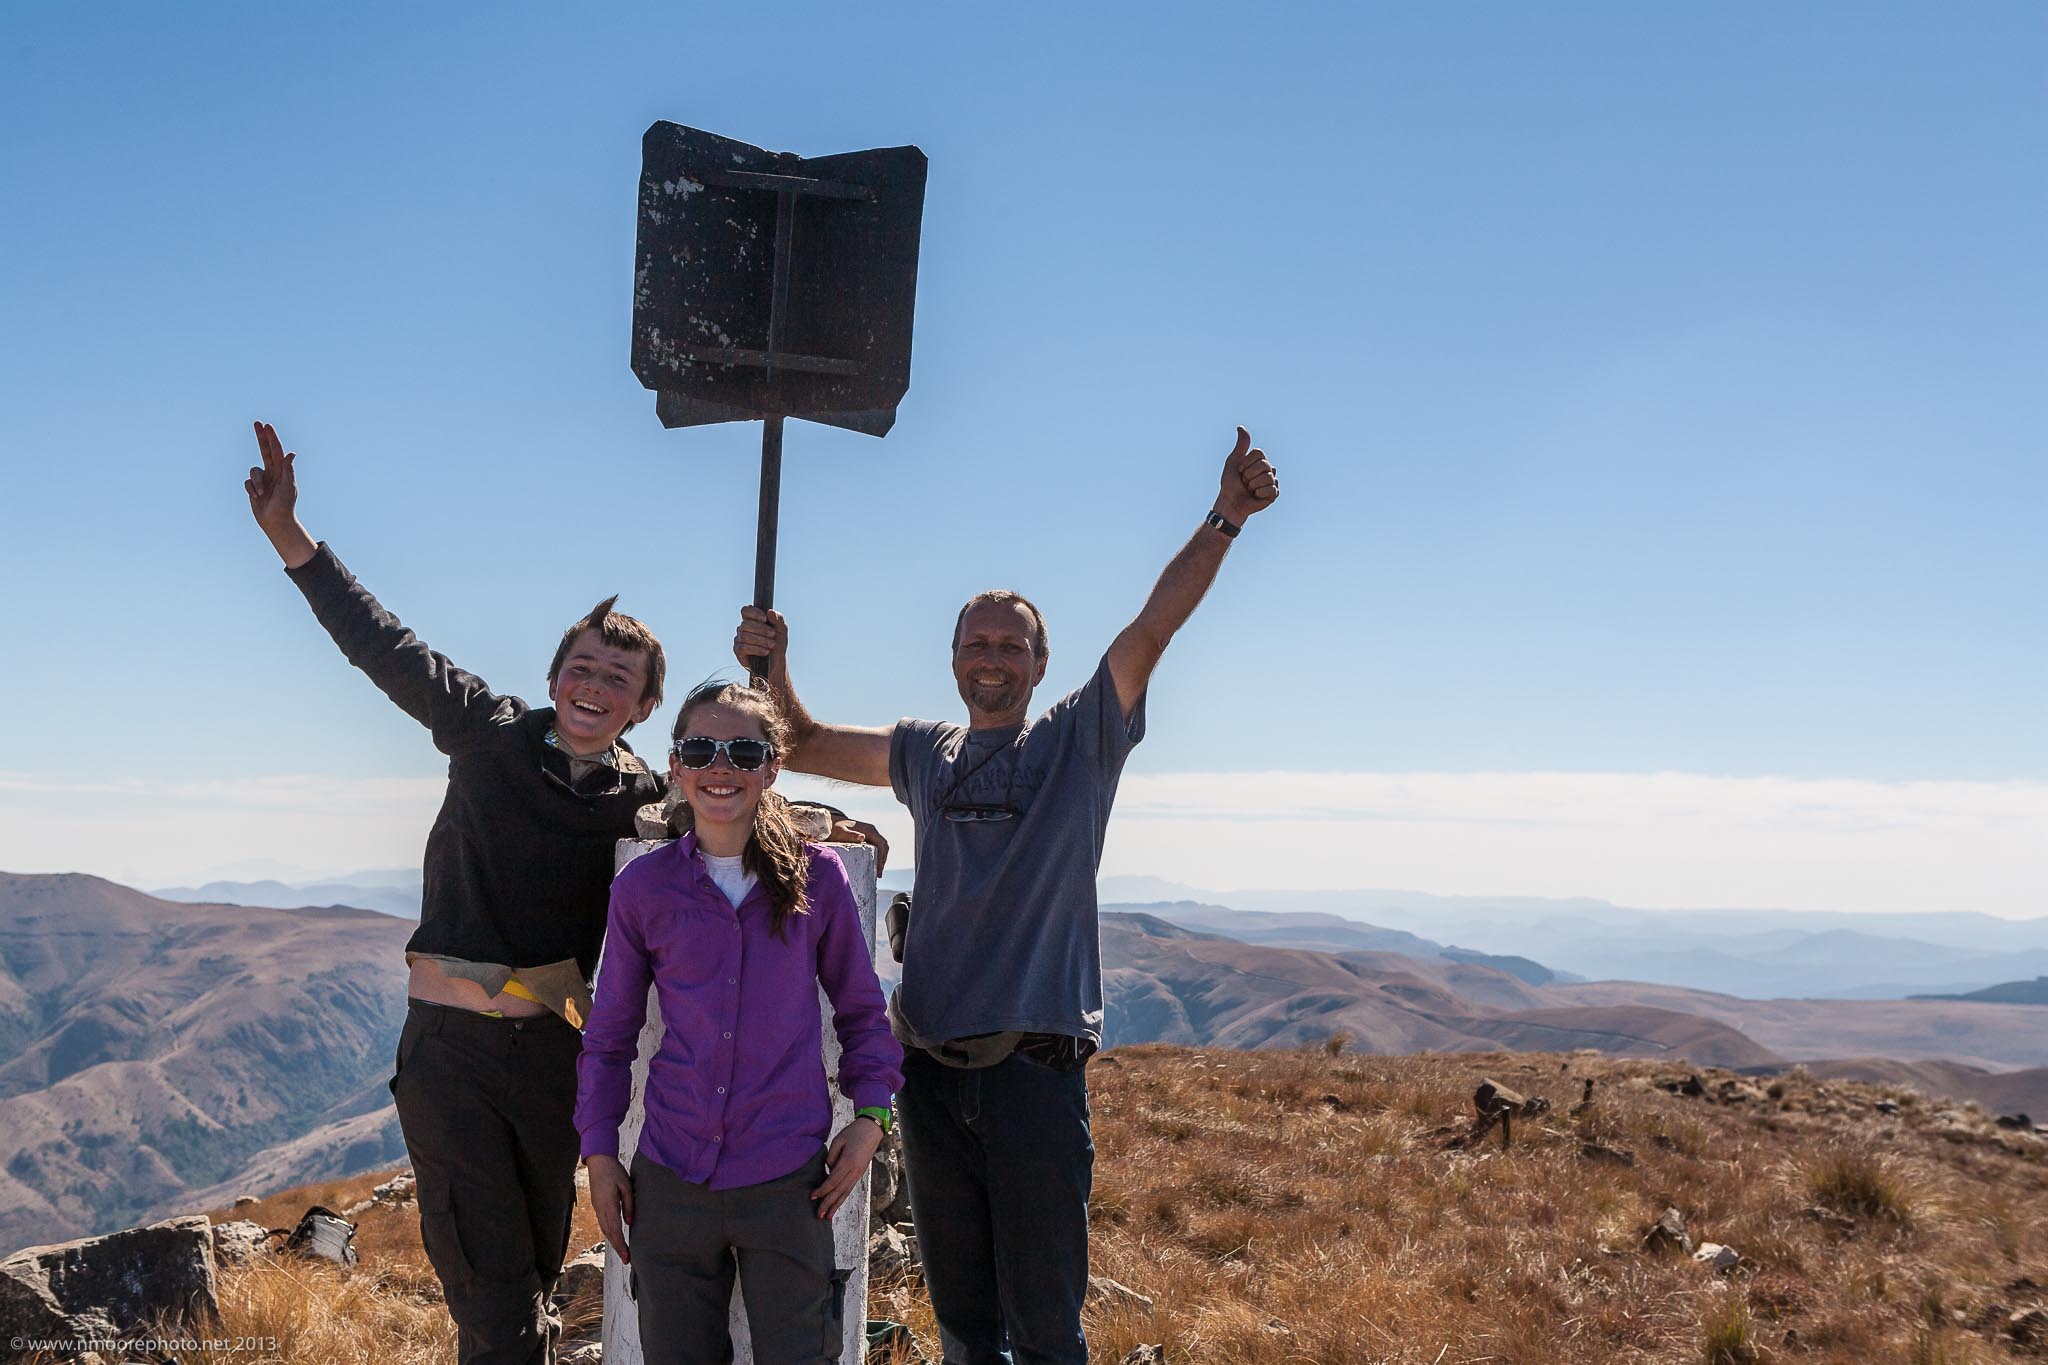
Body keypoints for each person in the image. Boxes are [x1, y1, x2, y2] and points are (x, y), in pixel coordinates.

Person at [732, 427, 1279, 1364]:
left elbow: (1153, 627)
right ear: (953, 659)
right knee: (964, 1329)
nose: (992, 654)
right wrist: (772, 661)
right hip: (932, 1076)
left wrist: (1225, 516)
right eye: (976, 641)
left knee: (1046, 1331)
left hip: (1032, 1077)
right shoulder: (923, 750)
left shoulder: (1080, 738)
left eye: (1011, 643)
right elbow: (807, 741)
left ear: (1039, 661)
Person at [575, 681, 904, 1364]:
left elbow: (862, 1011)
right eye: (701, 748)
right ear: (677, 767)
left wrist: (873, 1117)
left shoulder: (821, 879)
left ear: (771, 767)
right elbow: (609, 1034)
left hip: (789, 1184)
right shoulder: (644, 888)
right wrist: (600, 1151)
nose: (720, 767)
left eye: (743, 750)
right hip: (669, 1182)